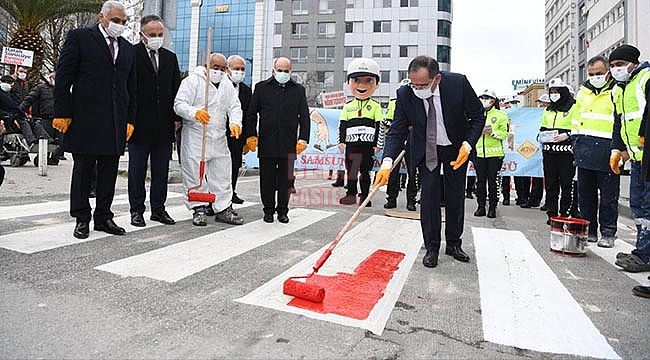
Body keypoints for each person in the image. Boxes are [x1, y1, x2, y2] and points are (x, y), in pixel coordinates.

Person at [374, 55, 484, 268]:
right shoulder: (405, 94)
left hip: (455, 147)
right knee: (429, 197)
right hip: (426, 149)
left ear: (437, 79)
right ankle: (431, 247)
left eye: (423, 85)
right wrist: (386, 163)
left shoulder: (458, 84)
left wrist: (468, 144)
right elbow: (396, 131)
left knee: (454, 195)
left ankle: (453, 243)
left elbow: (478, 116)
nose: (417, 89)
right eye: (414, 84)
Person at [53, 0, 136, 239]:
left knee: (109, 170)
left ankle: (103, 217)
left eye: (123, 22)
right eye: (116, 20)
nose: (119, 25)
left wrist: (129, 118)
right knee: (84, 169)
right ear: (102, 17)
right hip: (85, 117)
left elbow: (131, 87)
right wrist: (62, 112)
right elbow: (63, 77)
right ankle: (82, 217)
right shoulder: (79, 37)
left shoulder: (128, 49)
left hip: (115, 120)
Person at [174, 52, 244, 226]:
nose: (218, 72)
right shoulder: (192, 81)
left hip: (218, 135)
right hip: (196, 135)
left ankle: (223, 208)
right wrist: (194, 113)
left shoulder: (227, 85)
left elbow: (235, 106)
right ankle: (198, 208)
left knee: (222, 174)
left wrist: (235, 123)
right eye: (215, 68)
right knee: (194, 174)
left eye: (222, 69)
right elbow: (179, 104)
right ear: (206, 67)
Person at [128, 15, 181, 228]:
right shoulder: (131, 54)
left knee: (161, 171)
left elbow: (176, 90)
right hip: (139, 124)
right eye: (152, 35)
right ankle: (136, 210)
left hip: (164, 125)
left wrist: (177, 118)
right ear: (142, 35)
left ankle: (158, 209)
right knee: (137, 171)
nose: (157, 38)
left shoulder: (170, 58)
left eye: (160, 34)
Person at [244, 57, 310, 224]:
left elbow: (304, 117)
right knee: (267, 178)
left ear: (291, 71)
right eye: (279, 70)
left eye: (286, 71)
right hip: (267, 141)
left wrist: (303, 138)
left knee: (286, 180)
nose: (282, 73)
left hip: (288, 143)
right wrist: (251, 135)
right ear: (273, 70)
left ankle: (283, 211)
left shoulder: (298, 90)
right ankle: (268, 210)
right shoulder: (262, 88)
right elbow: (251, 114)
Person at [572, 55, 619, 247]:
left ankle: (608, 233)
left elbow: (619, 121)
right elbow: (576, 119)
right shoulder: (583, 92)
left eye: (599, 73)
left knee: (608, 196)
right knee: (586, 195)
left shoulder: (616, 91)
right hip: (585, 149)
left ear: (607, 72)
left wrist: (619, 148)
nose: (595, 77)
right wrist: (576, 143)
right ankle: (589, 230)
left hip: (608, 149)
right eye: (591, 74)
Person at [611, 44, 650, 273]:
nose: (616, 69)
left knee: (647, 206)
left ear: (633, 63)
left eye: (620, 65)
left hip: (648, 157)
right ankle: (642, 250)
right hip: (636, 159)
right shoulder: (619, 89)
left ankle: (644, 254)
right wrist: (618, 149)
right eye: (613, 66)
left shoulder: (646, 79)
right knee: (638, 205)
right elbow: (620, 122)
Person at [338, 58, 383, 207]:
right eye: (356, 80)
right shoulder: (348, 106)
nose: (362, 85)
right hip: (351, 145)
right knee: (351, 171)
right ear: (348, 83)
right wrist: (341, 141)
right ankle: (350, 194)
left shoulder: (375, 106)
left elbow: (379, 125)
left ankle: (364, 196)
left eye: (368, 80)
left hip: (367, 145)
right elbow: (342, 125)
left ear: (377, 84)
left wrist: (378, 143)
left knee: (365, 172)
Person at [539, 78, 578, 225]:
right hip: (549, 152)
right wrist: (541, 136)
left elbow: (579, 127)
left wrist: (567, 135)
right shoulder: (548, 109)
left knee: (566, 184)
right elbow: (543, 127)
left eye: (556, 92)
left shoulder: (574, 107)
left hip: (566, 152)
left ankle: (564, 213)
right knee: (550, 184)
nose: (554, 95)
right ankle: (552, 213)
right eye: (552, 92)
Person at [473, 90, 509, 219]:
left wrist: (493, 132)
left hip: (494, 154)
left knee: (492, 182)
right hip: (479, 153)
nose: (484, 100)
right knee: (480, 182)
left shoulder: (500, 115)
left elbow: (505, 133)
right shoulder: (477, 114)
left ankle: (492, 207)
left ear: (493, 101)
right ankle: (481, 206)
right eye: (482, 98)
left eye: (487, 98)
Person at [18, 72, 62, 165]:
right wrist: (19, 111)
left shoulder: (62, 88)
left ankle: (55, 158)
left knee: (59, 140)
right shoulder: (41, 88)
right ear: (50, 78)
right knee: (46, 139)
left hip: (60, 118)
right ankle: (42, 157)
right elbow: (29, 99)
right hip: (46, 117)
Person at [381, 98, 418, 211]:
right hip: (397, 136)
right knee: (393, 171)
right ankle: (391, 199)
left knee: (412, 172)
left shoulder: (418, 102)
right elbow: (386, 121)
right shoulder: (394, 103)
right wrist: (398, 125)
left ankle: (411, 201)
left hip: (413, 138)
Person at [225, 54, 252, 205]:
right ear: (228, 69)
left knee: (235, 165)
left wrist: (248, 137)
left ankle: (231, 191)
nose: (240, 72)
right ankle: (213, 196)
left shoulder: (247, 91)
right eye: (236, 69)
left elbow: (249, 115)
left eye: (242, 69)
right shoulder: (221, 86)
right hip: (220, 134)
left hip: (237, 135)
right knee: (218, 167)